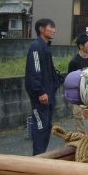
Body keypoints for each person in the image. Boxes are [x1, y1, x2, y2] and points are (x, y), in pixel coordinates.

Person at [25, 18, 61, 155]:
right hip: (40, 96)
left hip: (48, 94)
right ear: (41, 29)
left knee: (46, 126)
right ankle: (37, 159)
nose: (54, 30)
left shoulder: (45, 47)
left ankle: (42, 157)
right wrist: (40, 92)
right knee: (40, 126)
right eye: (51, 27)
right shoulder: (36, 47)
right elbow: (35, 71)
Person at [68, 34, 88, 133]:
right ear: (80, 46)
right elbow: (70, 80)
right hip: (79, 95)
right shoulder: (74, 62)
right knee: (79, 119)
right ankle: (81, 140)